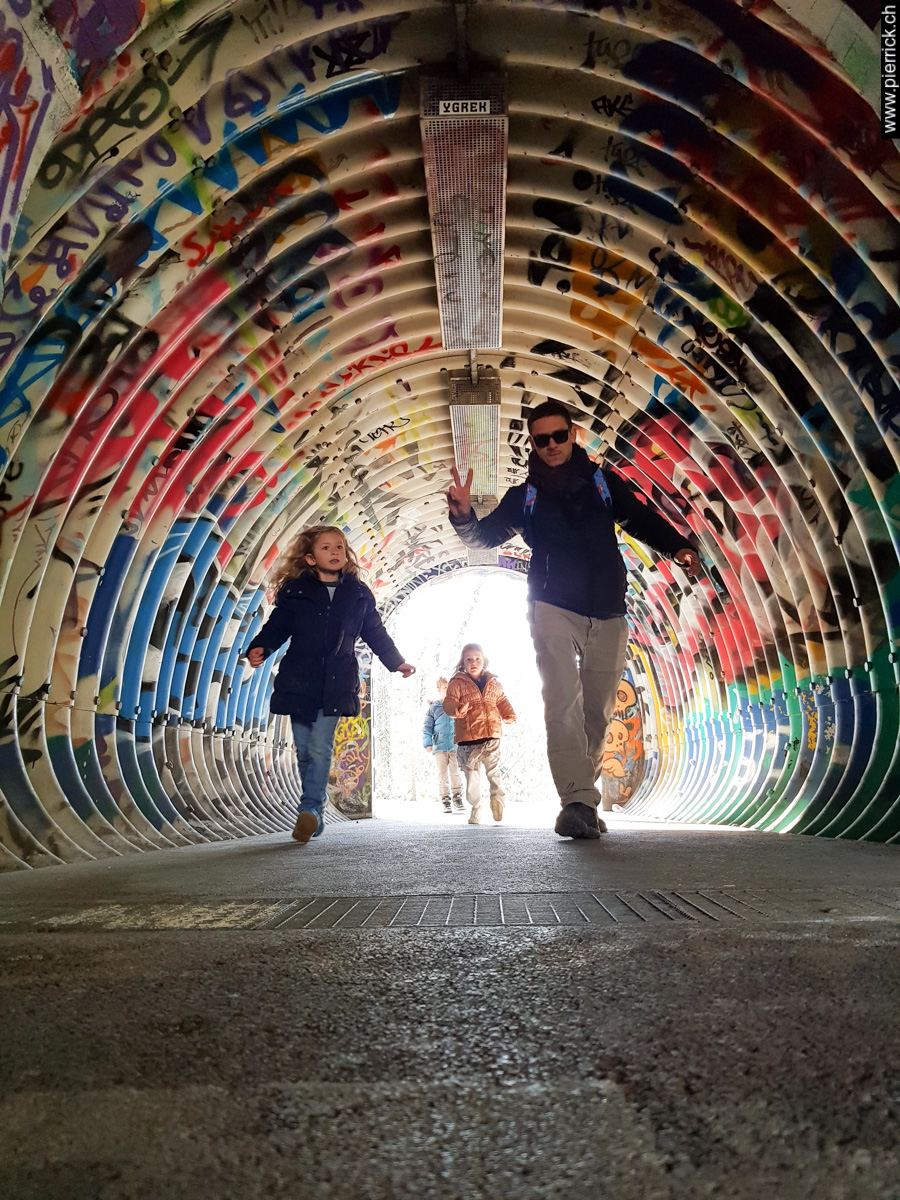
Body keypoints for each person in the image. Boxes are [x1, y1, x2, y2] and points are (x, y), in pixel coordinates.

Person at [447, 399, 701, 840]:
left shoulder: (603, 483)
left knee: (597, 711)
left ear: (573, 435)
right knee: (561, 700)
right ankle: (576, 802)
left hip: (608, 607)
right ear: (533, 444)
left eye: (558, 436)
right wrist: (463, 515)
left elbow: (640, 519)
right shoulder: (525, 497)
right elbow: (484, 537)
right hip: (551, 606)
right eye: (541, 439)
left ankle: (584, 799)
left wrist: (677, 546)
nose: (550, 445)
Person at [245, 525, 415, 843]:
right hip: (299, 680)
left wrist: (396, 662)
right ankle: (317, 809)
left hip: (337, 682)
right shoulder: (296, 592)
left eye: (339, 546)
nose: (335, 552)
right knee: (303, 750)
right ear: (310, 558)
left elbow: (375, 632)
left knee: (320, 747)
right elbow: (277, 626)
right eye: (326, 548)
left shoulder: (358, 595)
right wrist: (261, 647)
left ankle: (309, 808)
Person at [443, 643, 516, 825]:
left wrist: (508, 714)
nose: (473, 662)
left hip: (491, 737)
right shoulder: (457, 683)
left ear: (484, 661)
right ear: (463, 663)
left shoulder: (493, 683)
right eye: (469, 659)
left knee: (493, 771)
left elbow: (501, 700)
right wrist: (458, 709)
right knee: (472, 778)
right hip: (468, 740)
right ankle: (476, 806)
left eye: (477, 659)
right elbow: (448, 703)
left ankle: (498, 800)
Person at [423, 678, 464, 813]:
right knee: (442, 774)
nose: (448, 690)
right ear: (439, 689)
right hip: (440, 746)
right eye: (446, 687)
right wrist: (427, 743)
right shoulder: (434, 707)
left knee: (455, 772)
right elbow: (427, 726)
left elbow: (463, 723)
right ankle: (445, 799)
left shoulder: (457, 705)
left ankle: (457, 797)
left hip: (455, 746)